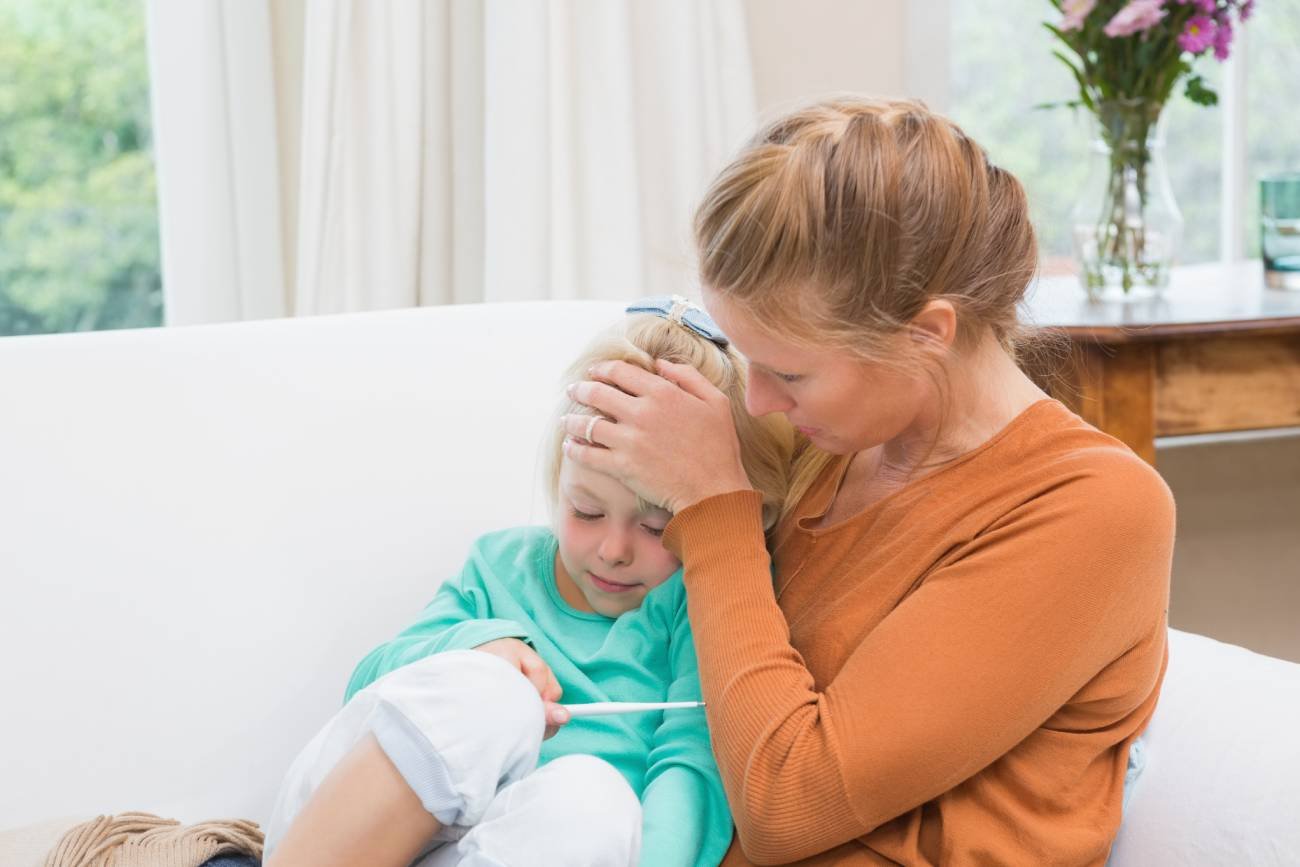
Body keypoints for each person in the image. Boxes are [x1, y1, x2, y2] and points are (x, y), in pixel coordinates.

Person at [561, 96, 1175, 866]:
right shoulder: (828, 441)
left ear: (927, 333)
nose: (757, 404)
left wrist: (716, 505)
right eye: (751, 362)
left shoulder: (1094, 508)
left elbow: (786, 804)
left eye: (790, 372)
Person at [263, 299, 794, 867]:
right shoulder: (502, 566)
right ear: (558, 480)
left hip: (507, 848)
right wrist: (478, 648)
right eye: (586, 512)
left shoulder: (696, 604)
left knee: (596, 802)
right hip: (341, 829)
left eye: (655, 527)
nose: (613, 552)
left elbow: (692, 772)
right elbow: (371, 684)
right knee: (490, 690)